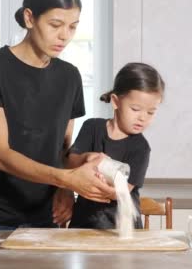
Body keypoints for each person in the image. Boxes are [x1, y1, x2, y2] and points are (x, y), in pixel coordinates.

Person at [0, 0, 116, 230]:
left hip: (46, 216)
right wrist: (68, 180)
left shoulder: (69, 76)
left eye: (73, 26)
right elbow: (1, 156)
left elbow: (61, 151)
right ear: (30, 18)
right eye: (55, 24)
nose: (64, 36)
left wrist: (79, 167)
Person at [67, 62, 165, 229]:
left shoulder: (140, 148)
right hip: (84, 225)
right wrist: (87, 158)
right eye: (135, 109)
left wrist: (99, 182)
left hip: (122, 229)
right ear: (115, 101)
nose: (143, 118)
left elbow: (121, 191)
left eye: (151, 112)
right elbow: (69, 162)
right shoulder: (92, 128)